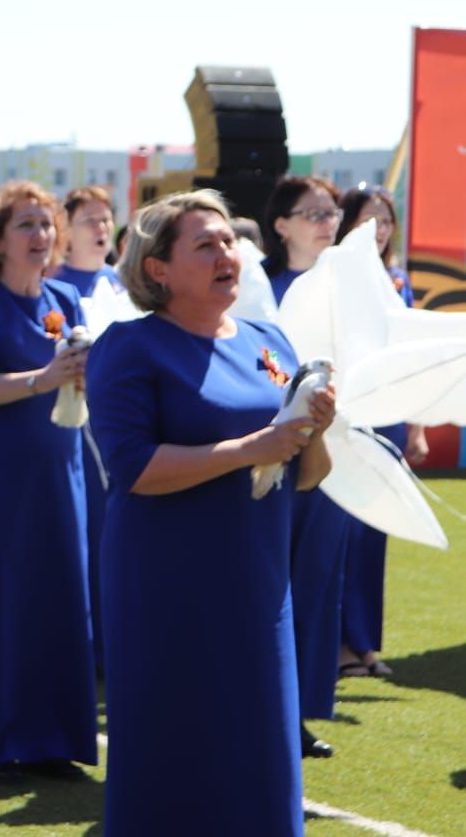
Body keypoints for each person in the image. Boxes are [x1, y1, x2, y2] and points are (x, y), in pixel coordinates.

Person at [87, 190, 335, 836]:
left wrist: (316, 431)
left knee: (260, 749)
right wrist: (251, 447)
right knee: (174, 749)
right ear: (157, 270)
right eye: (206, 244)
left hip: (256, 582)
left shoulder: (269, 339)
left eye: (228, 240)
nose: (227, 254)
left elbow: (308, 475)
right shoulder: (129, 347)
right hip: (167, 583)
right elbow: (133, 468)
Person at [0, 181, 98, 780]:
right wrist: (44, 376)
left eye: (46, 224)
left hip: (62, 471)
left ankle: (56, 739)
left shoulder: (64, 297)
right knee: (3, 600)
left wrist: (83, 374)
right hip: (0, 474)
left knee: (60, 598)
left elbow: (76, 376)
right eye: (26, 226)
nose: (41, 236)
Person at [261, 175, 348, 757]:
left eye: (331, 211)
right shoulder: (260, 294)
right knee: (272, 589)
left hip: (337, 455)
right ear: (281, 225)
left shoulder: (349, 292)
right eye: (311, 212)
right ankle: (264, 708)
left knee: (317, 585)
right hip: (273, 458)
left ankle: (299, 712)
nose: (325, 221)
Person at [334, 185, 425, 679]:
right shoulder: (336, 277)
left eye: (386, 220)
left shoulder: (397, 278)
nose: (380, 228)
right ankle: (339, 645)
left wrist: (416, 423)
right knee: (342, 533)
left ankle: (365, 644)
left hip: (388, 416)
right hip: (349, 416)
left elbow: (407, 353)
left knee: (374, 536)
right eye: (370, 218)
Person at [49, 185, 122, 673]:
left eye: (106, 219)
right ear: (66, 231)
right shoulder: (54, 287)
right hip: (71, 427)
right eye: (89, 220)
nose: (101, 229)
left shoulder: (123, 282)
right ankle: (86, 645)